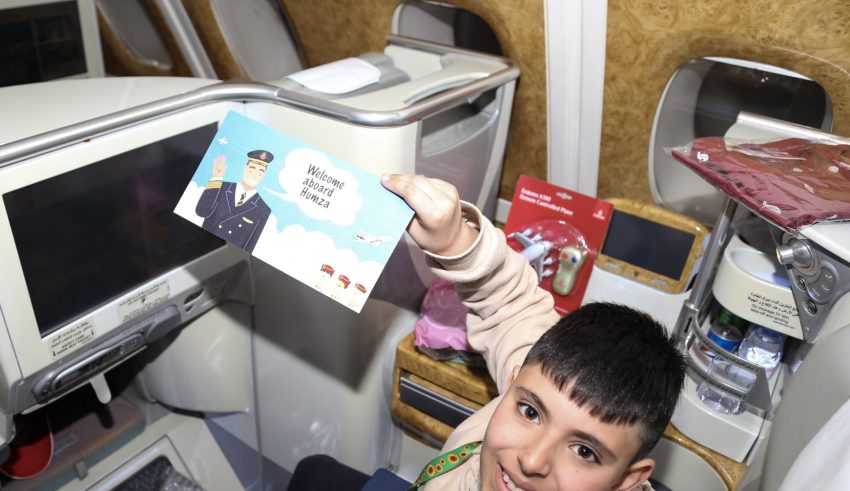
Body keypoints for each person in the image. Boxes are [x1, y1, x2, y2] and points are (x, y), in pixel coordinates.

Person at [287, 174, 686, 491]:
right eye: (529, 412)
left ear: (629, 479)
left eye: (584, 451)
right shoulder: (543, 376)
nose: (532, 460)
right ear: (513, 383)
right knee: (313, 470)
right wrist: (455, 240)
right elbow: (511, 302)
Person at [195, 150, 273, 252]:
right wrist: (217, 177)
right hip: (203, 245)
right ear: (245, 168)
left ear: (264, 175)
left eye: (260, 171)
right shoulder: (221, 186)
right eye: (252, 168)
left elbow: (249, 246)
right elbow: (201, 212)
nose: (254, 174)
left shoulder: (263, 209)